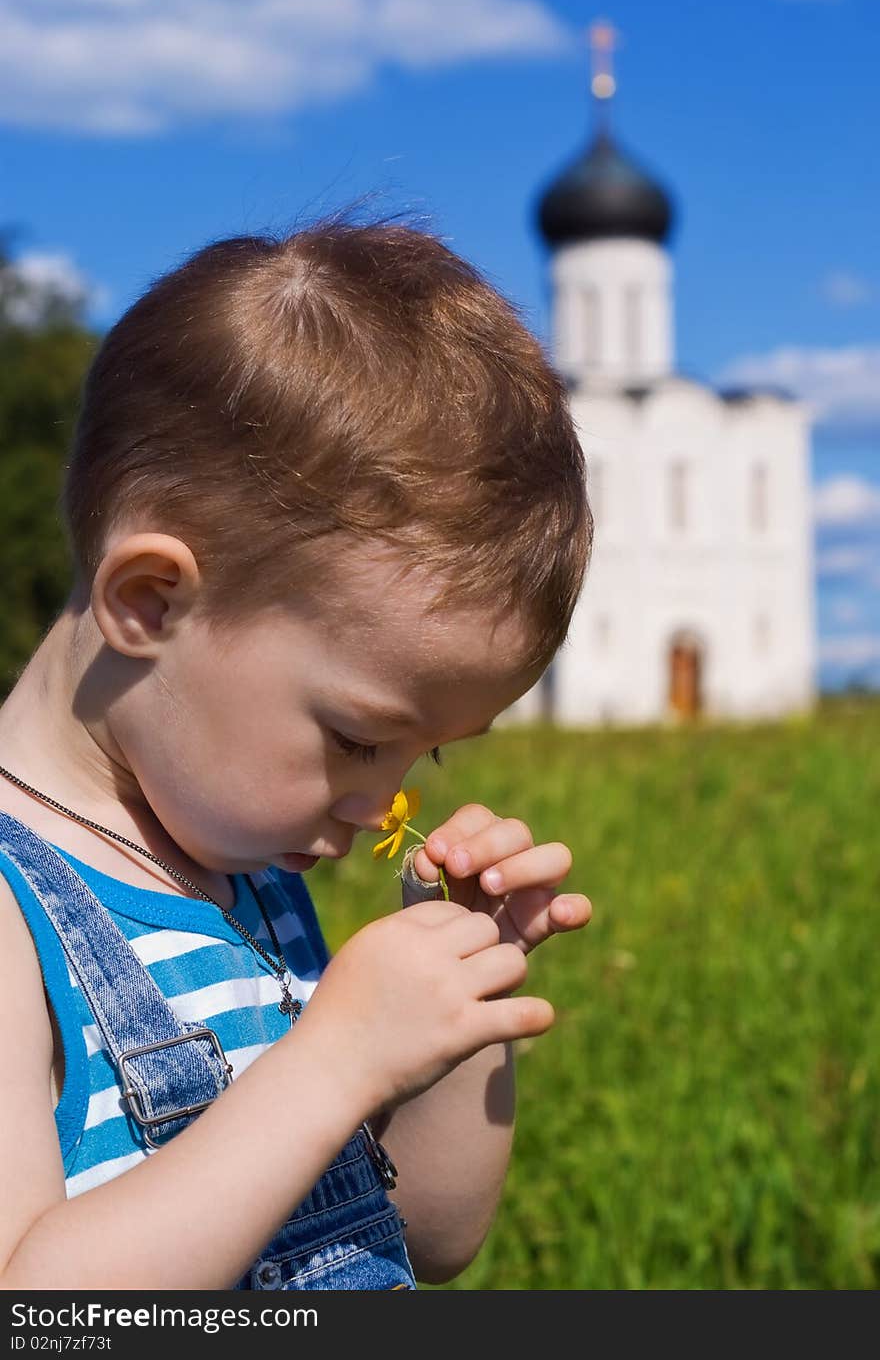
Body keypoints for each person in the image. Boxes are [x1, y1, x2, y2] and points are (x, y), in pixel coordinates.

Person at [0, 216, 593, 1291]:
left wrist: (455, 1009)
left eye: (427, 757)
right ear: (151, 600)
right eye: (359, 737)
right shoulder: (12, 915)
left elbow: (429, 1238)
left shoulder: (245, 869)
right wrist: (330, 1065)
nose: (383, 804)